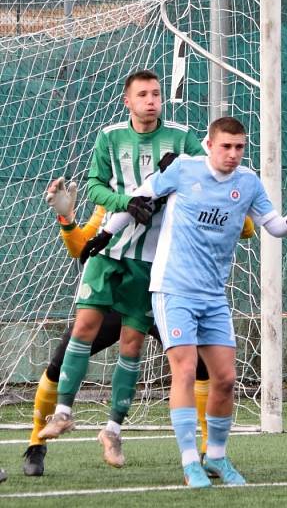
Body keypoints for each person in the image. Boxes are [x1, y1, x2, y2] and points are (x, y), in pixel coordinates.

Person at [82, 116, 287, 487]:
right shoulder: (182, 170)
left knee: (225, 379)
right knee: (186, 370)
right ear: (209, 145)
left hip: (213, 295)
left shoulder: (248, 182)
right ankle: (190, 462)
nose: (233, 154)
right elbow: (138, 199)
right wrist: (102, 236)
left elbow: (271, 226)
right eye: (226, 146)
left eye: (240, 147)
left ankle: (217, 458)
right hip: (172, 288)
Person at [22, 177, 253, 476]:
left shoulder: (182, 191)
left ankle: (210, 453)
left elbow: (245, 229)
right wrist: (67, 219)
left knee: (202, 368)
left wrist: (228, 200)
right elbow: (81, 247)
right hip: (118, 299)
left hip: (167, 295)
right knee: (60, 363)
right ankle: (36, 444)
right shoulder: (115, 198)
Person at [38, 70, 209, 469]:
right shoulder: (110, 137)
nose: (151, 100)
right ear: (127, 101)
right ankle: (62, 413)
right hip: (108, 250)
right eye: (143, 95)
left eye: (156, 93)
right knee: (82, 328)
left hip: (152, 263)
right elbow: (96, 185)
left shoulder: (183, 139)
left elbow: (201, 183)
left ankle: (112, 431)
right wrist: (124, 202)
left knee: (133, 345)